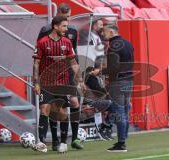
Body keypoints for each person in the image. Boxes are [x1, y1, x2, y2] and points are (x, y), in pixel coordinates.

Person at [32, 15, 86, 153]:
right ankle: (42, 142)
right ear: (55, 26)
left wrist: (80, 80)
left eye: (67, 26)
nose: (66, 29)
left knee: (61, 112)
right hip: (46, 82)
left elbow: (73, 63)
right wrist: (36, 82)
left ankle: (63, 142)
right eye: (64, 26)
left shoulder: (67, 42)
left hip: (62, 83)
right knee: (44, 108)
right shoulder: (42, 42)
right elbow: (36, 63)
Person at [92, 22, 134, 152]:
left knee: (119, 112)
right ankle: (123, 139)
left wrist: (99, 72)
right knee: (125, 111)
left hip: (118, 83)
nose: (102, 33)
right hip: (129, 81)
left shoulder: (113, 46)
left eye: (104, 31)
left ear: (111, 32)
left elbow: (113, 68)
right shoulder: (128, 43)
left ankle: (121, 143)